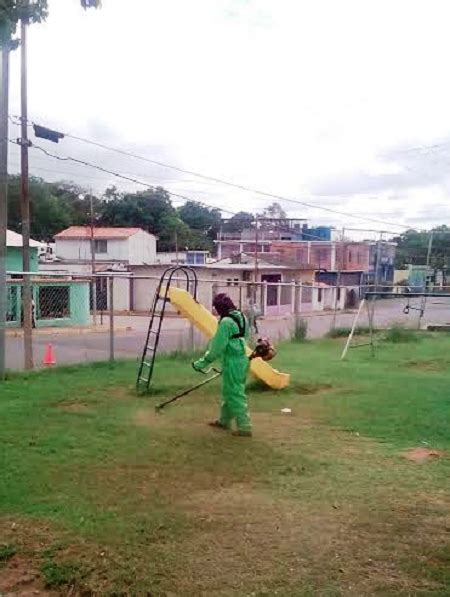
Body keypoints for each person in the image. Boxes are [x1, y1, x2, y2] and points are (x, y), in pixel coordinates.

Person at [192, 293, 252, 437]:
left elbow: (217, 347)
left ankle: (245, 427)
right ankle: (224, 421)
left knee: (235, 394)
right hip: (241, 358)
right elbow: (246, 336)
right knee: (229, 392)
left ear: (219, 308)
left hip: (232, 361)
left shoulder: (226, 322)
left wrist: (202, 363)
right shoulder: (242, 317)